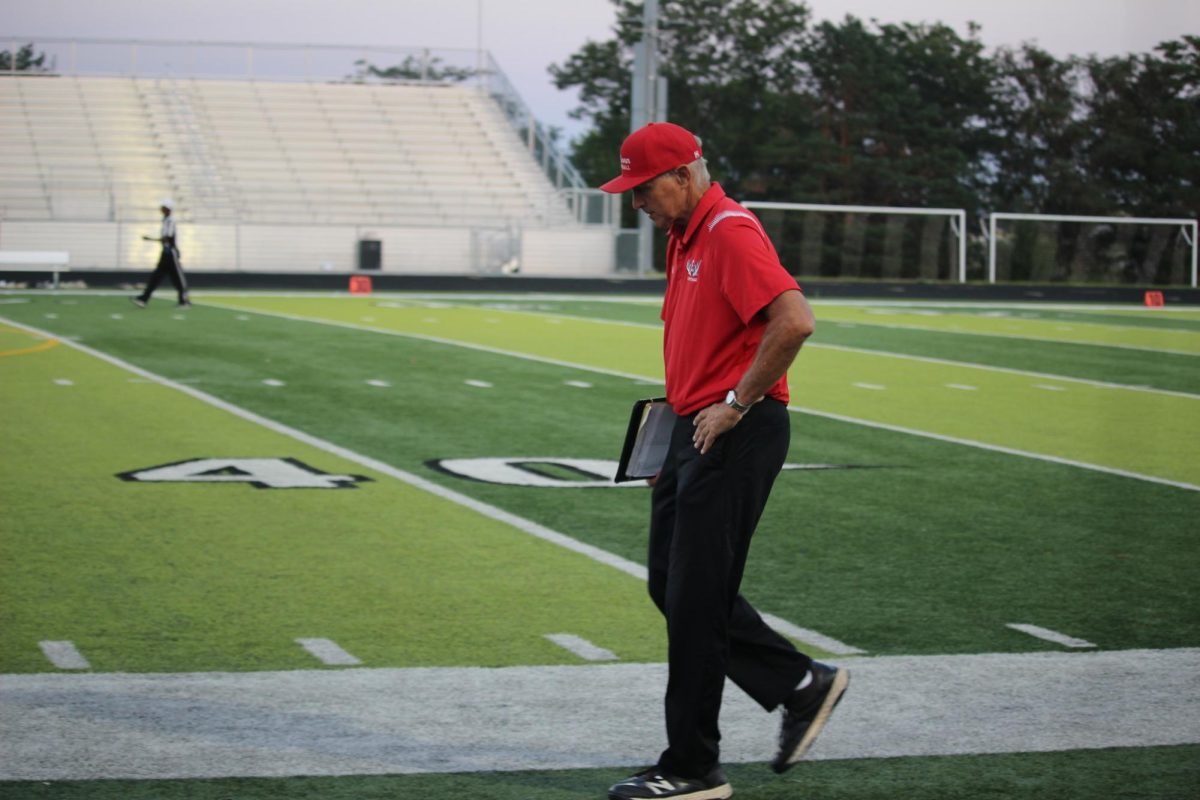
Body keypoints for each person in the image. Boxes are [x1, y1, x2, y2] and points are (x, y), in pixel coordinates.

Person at [599, 122, 848, 800]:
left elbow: (793, 321)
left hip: (734, 428)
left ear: (684, 174)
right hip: (692, 428)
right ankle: (800, 685)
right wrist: (669, 439)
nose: (637, 204)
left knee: (697, 598)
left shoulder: (728, 231)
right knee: (670, 587)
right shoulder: (686, 237)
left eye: (643, 189)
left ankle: (692, 767)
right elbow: (697, 346)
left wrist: (735, 402)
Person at [130, 198, 190, 308]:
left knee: (177, 278)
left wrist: (151, 239)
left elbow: (167, 238)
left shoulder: (170, 221)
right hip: (165, 254)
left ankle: (184, 301)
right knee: (156, 277)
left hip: (171, 254)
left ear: (167, 209)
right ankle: (144, 298)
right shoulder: (165, 220)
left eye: (163, 207)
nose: (161, 209)